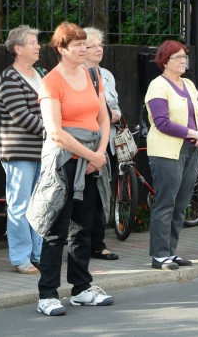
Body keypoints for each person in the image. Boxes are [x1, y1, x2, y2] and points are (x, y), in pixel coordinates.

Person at [26, 22, 114, 316]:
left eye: (85, 44)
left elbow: (104, 118)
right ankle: (47, 294)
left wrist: (98, 155)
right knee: (56, 230)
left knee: (84, 228)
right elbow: (56, 132)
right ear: (61, 49)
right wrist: (92, 154)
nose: (83, 49)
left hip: (90, 161)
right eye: (77, 45)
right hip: (64, 163)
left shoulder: (93, 76)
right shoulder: (50, 81)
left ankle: (81, 288)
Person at [145, 40, 198, 270]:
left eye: (185, 57)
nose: (183, 61)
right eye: (178, 57)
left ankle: (171, 252)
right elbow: (162, 122)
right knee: (166, 202)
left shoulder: (189, 84)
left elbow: (197, 114)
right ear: (164, 61)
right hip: (166, 151)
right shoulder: (157, 86)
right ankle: (159, 255)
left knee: (181, 203)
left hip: (191, 149)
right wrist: (193, 132)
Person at [0, 25, 45, 275]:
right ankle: (20, 258)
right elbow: (21, 116)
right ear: (18, 48)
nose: (38, 46)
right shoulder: (10, 77)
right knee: (20, 206)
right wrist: (53, 133)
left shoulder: (41, 74)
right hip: (19, 153)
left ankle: (38, 254)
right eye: (33, 43)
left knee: (39, 205)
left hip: (43, 152)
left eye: (37, 42)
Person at [83, 27, 120, 261]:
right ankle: (84, 243)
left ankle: (98, 243)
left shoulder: (106, 74)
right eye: (93, 46)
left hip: (108, 141)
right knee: (86, 195)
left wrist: (113, 113)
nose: (99, 49)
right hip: (85, 142)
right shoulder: (77, 74)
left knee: (103, 194)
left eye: (101, 45)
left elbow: (115, 107)